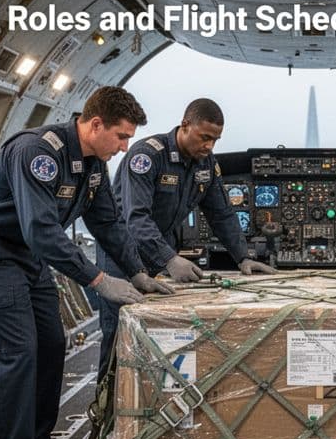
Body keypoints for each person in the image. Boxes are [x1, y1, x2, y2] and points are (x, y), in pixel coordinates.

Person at [0, 86, 173, 439]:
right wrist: (96, 279)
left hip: (26, 256)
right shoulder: (38, 153)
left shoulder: (93, 166)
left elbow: (108, 223)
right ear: (95, 125)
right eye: (122, 136)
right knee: (16, 358)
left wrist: (139, 273)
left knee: (51, 348)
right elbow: (41, 229)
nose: (126, 146)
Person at [91, 98, 277, 383]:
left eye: (215, 140)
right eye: (204, 137)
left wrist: (243, 257)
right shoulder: (147, 157)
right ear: (185, 125)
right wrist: (169, 259)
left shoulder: (206, 164)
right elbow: (135, 217)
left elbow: (222, 213)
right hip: (122, 256)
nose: (209, 146)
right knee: (119, 336)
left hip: (159, 253)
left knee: (160, 333)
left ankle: (151, 401)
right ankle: (107, 414)